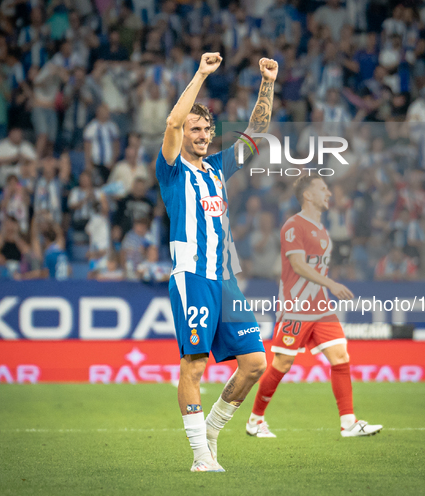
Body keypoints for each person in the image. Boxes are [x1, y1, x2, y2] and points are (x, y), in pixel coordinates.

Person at [155, 52, 278, 472]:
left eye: (207, 129)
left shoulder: (217, 169)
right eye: (197, 128)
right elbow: (172, 123)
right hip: (192, 276)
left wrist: (268, 83)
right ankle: (200, 457)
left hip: (225, 281)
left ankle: (210, 432)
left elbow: (256, 131)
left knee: (256, 363)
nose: (203, 135)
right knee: (194, 364)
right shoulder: (171, 168)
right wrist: (202, 74)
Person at [247, 175, 382, 439]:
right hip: (295, 307)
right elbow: (298, 265)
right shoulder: (293, 226)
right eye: (322, 189)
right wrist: (331, 283)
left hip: (321, 307)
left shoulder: (321, 229)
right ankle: (255, 420)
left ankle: (348, 423)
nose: (329, 193)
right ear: (308, 195)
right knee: (282, 364)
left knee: (341, 357)